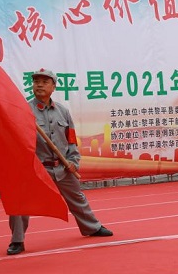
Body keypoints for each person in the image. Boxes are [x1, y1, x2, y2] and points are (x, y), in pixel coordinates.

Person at [7, 69, 113, 256]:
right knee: (20, 202)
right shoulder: (24, 110)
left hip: (62, 166)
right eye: (36, 81)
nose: (39, 84)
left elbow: (70, 139)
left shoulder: (62, 112)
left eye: (45, 82)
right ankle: (17, 240)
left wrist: (73, 161)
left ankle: (92, 227)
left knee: (78, 198)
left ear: (53, 87)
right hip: (36, 168)